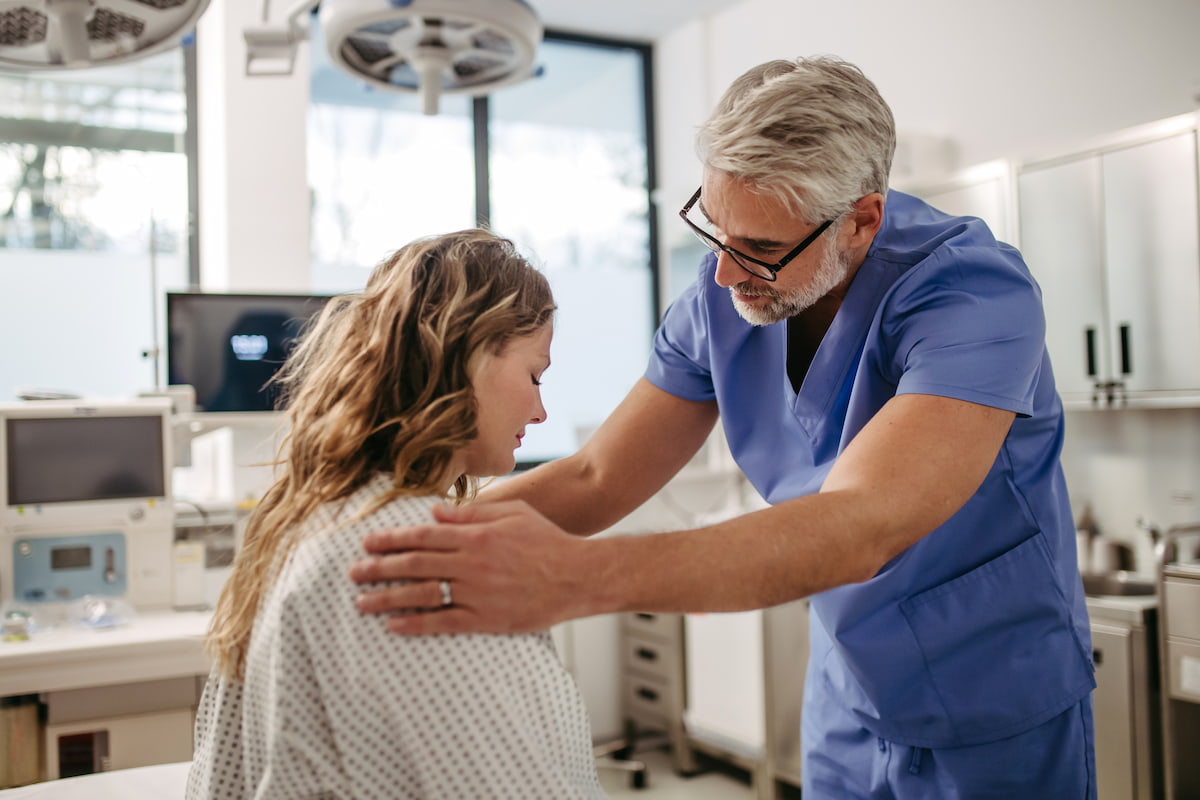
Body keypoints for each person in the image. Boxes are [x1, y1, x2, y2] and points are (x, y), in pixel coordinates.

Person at [350, 57, 1096, 799]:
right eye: (715, 229)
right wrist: (394, 537)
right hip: (848, 693)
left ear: (861, 221)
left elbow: (865, 520)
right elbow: (596, 476)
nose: (724, 275)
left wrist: (572, 577)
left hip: (996, 696)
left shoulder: (972, 295)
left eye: (762, 250)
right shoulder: (721, 299)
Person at [186, 230, 605, 799]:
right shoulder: (420, 560)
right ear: (468, 357)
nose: (540, 411)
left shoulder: (302, 516)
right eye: (535, 375)